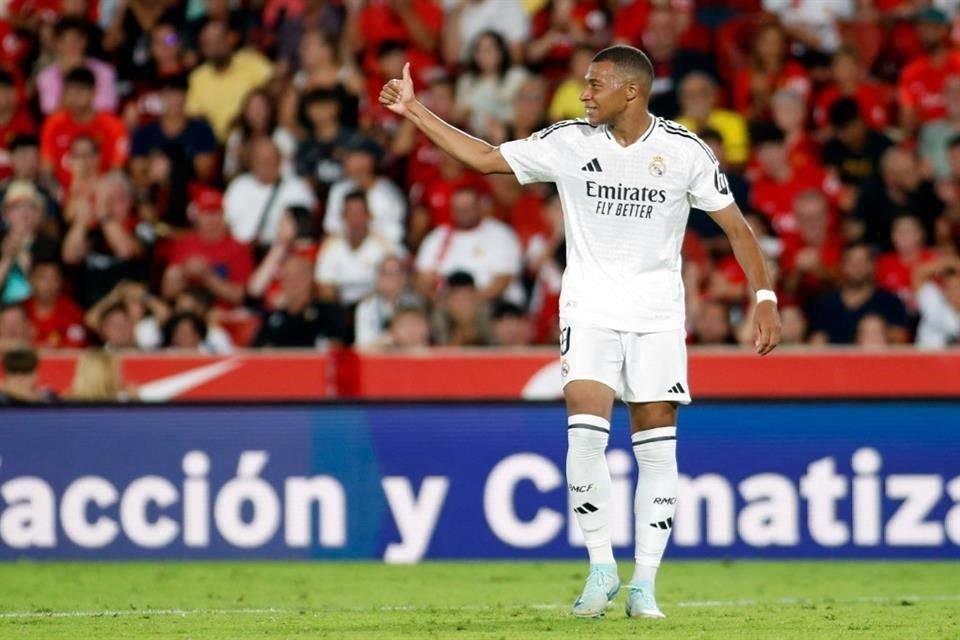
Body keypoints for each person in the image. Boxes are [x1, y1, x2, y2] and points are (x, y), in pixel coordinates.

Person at [379, 45, 780, 618]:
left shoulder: (684, 151)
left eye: (596, 84)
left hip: (657, 316)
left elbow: (737, 229)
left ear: (632, 92)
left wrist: (763, 297)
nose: (584, 93)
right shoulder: (568, 142)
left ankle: (645, 584)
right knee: (585, 433)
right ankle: (600, 569)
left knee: (656, 445)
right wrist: (416, 112)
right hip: (588, 310)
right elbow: (488, 158)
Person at [68, 349, 133, 401]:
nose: (122, 377)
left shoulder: (62, 406)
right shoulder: (128, 405)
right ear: (109, 376)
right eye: (118, 372)